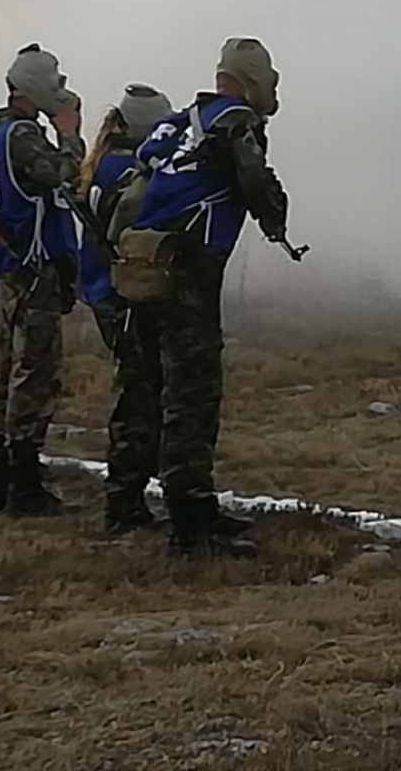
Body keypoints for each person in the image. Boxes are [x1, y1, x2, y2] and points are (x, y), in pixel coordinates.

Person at [128, 36, 289, 557]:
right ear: (252, 80)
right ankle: (190, 519)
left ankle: (165, 500)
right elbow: (253, 178)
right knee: (192, 392)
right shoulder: (235, 122)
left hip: (143, 264)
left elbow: (140, 170)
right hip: (187, 269)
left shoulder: (178, 122)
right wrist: (273, 213)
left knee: (154, 386)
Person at [0, 43, 85, 516]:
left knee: (7, 367)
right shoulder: (23, 136)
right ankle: (22, 479)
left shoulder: (2, 133)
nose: (63, 92)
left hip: (14, 263)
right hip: (32, 265)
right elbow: (61, 174)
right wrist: (70, 136)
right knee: (35, 370)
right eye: (56, 83)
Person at [78, 83, 175, 534]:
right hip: (124, 294)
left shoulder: (102, 163)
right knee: (138, 396)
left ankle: (128, 494)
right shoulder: (130, 171)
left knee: (136, 390)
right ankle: (125, 501)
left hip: (102, 290)